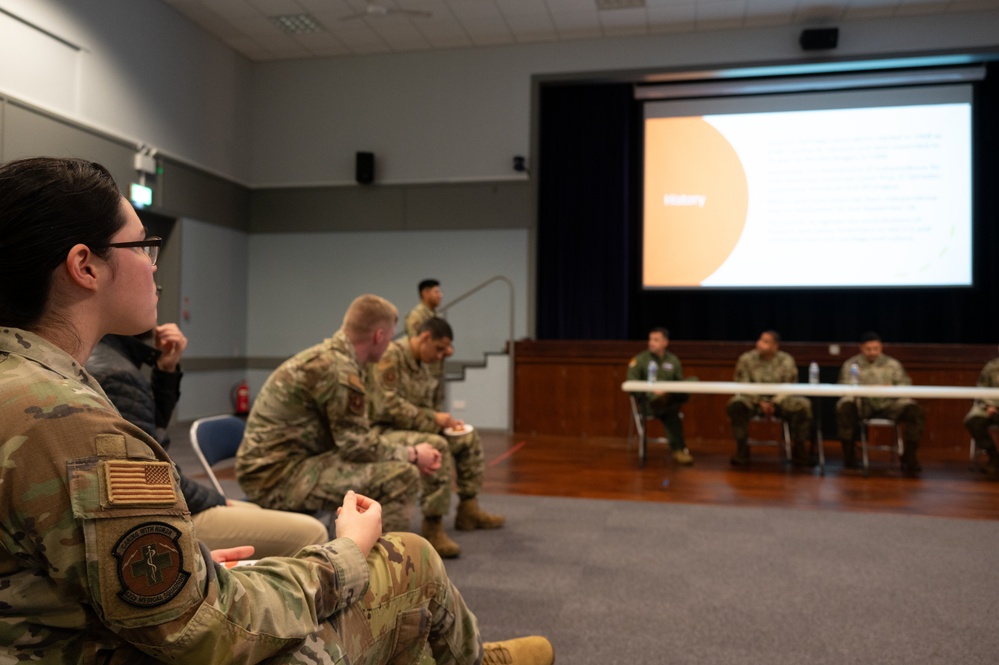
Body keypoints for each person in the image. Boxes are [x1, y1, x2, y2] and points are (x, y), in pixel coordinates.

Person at [0, 156, 554, 664]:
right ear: (85, 267)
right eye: (141, 247)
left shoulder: (28, 387)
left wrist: (191, 572)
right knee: (410, 561)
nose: (152, 264)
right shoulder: (72, 425)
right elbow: (204, 630)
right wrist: (346, 554)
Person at [86, 326, 331, 556]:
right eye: (151, 281)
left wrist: (165, 370)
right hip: (156, 519)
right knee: (312, 531)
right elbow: (149, 477)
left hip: (158, 502)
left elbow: (151, 434)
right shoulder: (116, 372)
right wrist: (216, 500)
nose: (156, 294)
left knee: (256, 512)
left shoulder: (107, 357)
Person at [236, 295, 448, 538]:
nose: (390, 344)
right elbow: (356, 446)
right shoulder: (340, 371)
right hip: (275, 477)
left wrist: (405, 456)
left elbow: (354, 441)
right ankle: (377, 570)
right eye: (389, 337)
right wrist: (412, 455)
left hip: (286, 464)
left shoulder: (333, 359)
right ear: (379, 336)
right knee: (402, 477)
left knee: (395, 466)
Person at [368, 317, 505, 555]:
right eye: (439, 348)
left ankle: (468, 510)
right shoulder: (392, 356)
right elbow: (386, 406)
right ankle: (433, 526)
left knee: (467, 437)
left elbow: (426, 406)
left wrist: (443, 422)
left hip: (413, 427)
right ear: (424, 337)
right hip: (383, 430)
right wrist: (433, 420)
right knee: (437, 445)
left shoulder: (425, 362)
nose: (442, 355)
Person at [835, 331, 925, 474]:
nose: (872, 352)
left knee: (915, 410)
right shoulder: (852, 365)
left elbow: (905, 385)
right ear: (861, 348)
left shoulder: (892, 364)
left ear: (881, 347)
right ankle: (849, 457)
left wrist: (893, 389)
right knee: (845, 407)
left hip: (889, 403)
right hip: (864, 403)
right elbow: (845, 386)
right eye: (869, 349)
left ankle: (909, 457)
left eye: (876, 349)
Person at [727, 330, 813, 466]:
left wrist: (774, 402)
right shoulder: (746, 359)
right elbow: (742, 384)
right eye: (760, 340)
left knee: (803, 405)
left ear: (775, 346)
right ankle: (742, 451)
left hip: (781, 402)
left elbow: (790, 385)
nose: (759, 344)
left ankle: (799, 451)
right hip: (753, 402)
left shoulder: (786, 360)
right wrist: (759, 401)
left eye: (765, 342)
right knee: (736, 404)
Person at [625, 327, 694, 465]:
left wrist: (667, 391)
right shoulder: (640, 360)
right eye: (650, 339)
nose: (651, 343)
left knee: (693, 381)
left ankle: (666, 399)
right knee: (671, 409)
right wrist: (652, 392)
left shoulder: (673, 360)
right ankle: (678, 450)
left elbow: (679, 383)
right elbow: (631, 385)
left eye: (656, 340)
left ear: (665, 342)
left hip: (669, 400)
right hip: (649, 404)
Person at [965, 352, 999, 473]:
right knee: (973, 420)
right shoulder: (992, 367)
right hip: (991, 406)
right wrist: (988, 405)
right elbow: (981, 388)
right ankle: (994, 456)